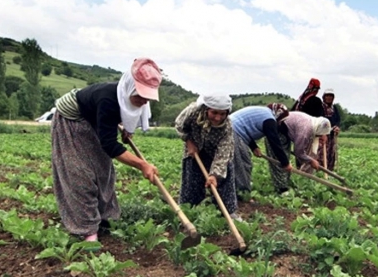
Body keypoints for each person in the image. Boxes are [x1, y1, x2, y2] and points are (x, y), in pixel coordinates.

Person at [51, 58, 161, 242]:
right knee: (80, 173)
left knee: (103, 170)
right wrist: (142, 164)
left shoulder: (137, 100)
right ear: (129, 88)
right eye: (139, 96)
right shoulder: (108, 99)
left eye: (147, 97)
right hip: (71, 120)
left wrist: (128, 129)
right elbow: (109, 145)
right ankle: (86, 229)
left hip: (92, 119)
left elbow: (126, 115)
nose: (143, 101)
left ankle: (105, 218)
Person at [175, 93, 241, 221]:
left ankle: (228, 212)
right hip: (194, 145)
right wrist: (189, 142)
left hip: (216, 151)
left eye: (222, 114)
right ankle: (188, 210)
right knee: (192, 177)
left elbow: (223, 152)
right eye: (214, 113)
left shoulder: (227, 126)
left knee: (224, 179)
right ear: (206, 109)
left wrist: (214, 175)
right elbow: (179, 125)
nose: (218, 118)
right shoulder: (193, 112)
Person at [229, 103, 293, 193]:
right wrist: (285, 163)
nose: (279, 123)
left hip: (233, 129)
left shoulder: (264, 113)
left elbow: (246, 126)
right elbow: (275, 143)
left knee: (235, 162)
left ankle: (235, 188)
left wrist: (254, 147)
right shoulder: (269, 120)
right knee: (243, 163)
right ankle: (243, 192)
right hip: (233, 131)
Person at [266, 111, 332, 194]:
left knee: (285, 158)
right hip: (276, 132)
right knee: (280, 161)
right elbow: (299, 152)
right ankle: (281, 189)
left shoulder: (313, 123)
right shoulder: (305, 130)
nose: (319, 137)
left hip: (284, 132)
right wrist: (311, 161)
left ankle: (284, 185)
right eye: (320, 135)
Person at [320, 88, 341, 171]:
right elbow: (320, 119)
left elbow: (338, 119)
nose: (329, 98)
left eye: (331, 96)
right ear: (324, 97)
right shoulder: (321, 107)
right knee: (322, 153)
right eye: (327, 96)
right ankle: (322, 171)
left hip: (332, 134)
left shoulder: (334, 108)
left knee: (331, 154)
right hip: (323, 134)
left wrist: (337, 127)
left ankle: (330, 170)